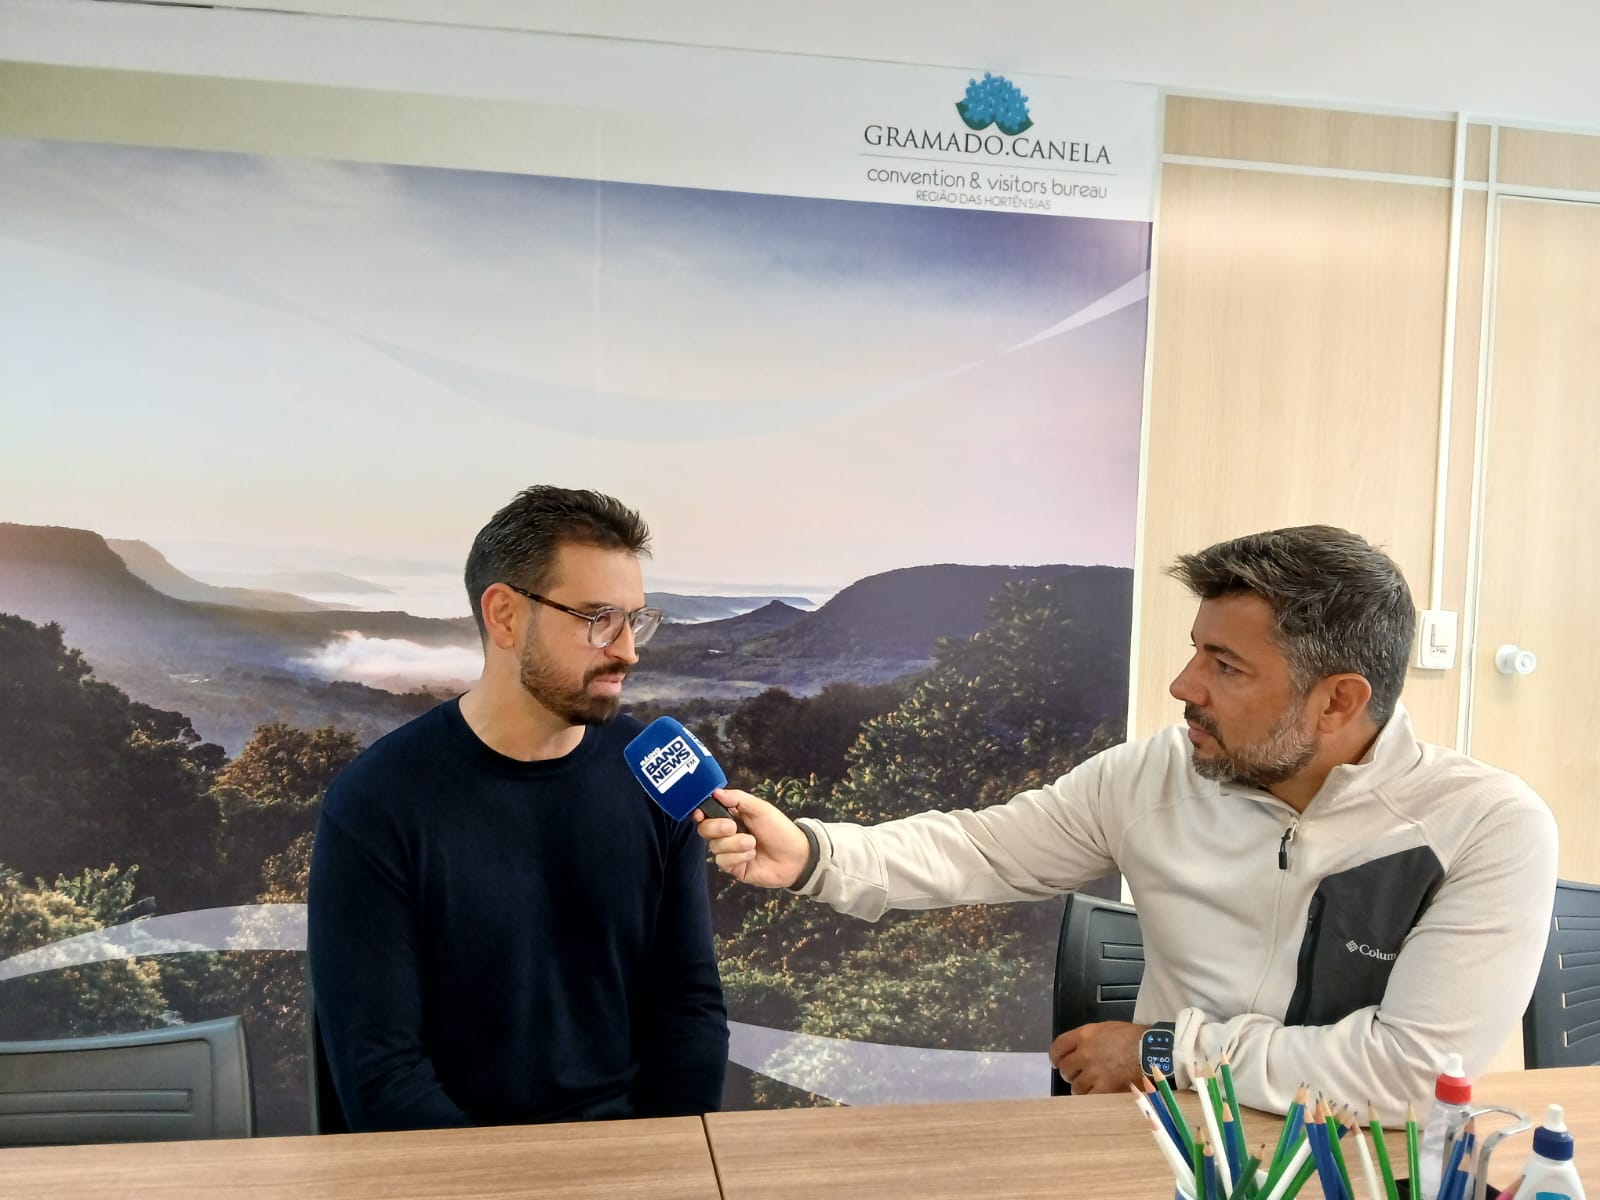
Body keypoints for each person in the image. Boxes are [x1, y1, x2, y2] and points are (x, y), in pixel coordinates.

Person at [694, 525, 1556, 1117]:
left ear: (1338, 701)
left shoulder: (1487, 829)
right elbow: (983, 846)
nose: (1184, 685)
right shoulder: (1157, 770)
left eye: (1225, 664)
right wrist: (813, 852)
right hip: (1164, 1148)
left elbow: (1408, 1078)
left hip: (1366, 1164)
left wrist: (1164, 1051)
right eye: (1194, 650)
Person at [309, 485, 728, 1130]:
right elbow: (381, 1076)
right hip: (460, 1178)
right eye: (597, 618)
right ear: (504, 616)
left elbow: (689, 1005)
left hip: (635, 1161)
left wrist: (662, 1160)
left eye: (636, 619)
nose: (628, 650)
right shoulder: (377, 804)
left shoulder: (655, 773)